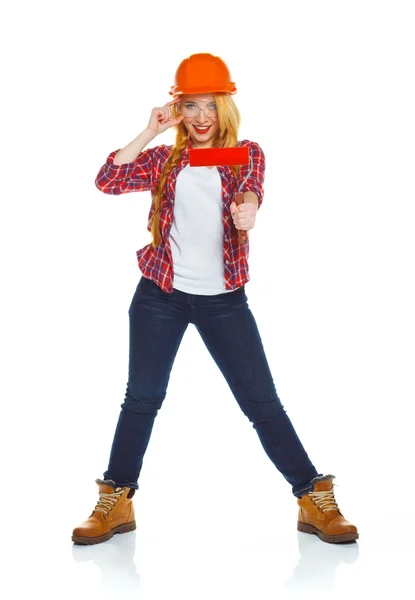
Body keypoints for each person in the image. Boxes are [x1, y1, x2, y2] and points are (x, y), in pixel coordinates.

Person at [72, 53, 358, 546]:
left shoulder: (246, 152)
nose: (201, 117)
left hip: (223, 300)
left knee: (262, 403)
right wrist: (149, 132)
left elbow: (250, 191)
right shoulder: (166, 159)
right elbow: (108, 180)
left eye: (210, 105)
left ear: (224, 108)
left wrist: (248, 213)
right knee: (141, 398)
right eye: (191, 106)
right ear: (178, 109)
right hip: (160, 295)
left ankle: (313, 498)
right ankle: (116, 500)